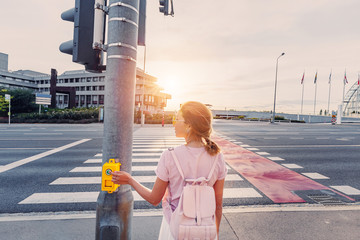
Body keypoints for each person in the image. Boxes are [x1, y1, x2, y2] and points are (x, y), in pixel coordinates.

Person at [112, 101, 227, 239]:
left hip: (175, 228)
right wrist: (215, 234)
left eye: (177, 119)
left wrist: (130, 180)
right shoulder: (217, 157)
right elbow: (218, 206)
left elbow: (154, 199)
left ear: (189, 125)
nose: (174, 123)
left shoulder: (170, 156)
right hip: (206, 230)